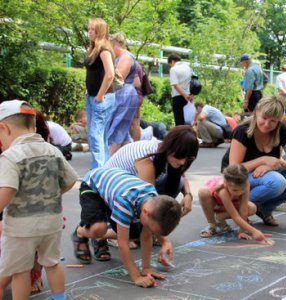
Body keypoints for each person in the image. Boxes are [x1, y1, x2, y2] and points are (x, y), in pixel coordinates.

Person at [0, 100, 78, 299]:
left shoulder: (10, 156)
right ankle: (59, 298)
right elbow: (70, 180)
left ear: (3, 128)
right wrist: (51, 195)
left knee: (20, 271)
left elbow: (7, 190)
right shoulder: (52, 150)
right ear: (34, 126)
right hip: (51, 222)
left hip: (20, 228)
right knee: (52, 263)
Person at [72, 167, 181, 288]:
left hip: (114, 189)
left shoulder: (153, 201)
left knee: (135, 233)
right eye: (151, 227)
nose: (152, 232)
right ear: (146, 212)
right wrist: (136, 277)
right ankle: (81, 231)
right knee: (98, 229)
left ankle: (94, 228)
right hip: (93, 185)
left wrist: (146, 268)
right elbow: (122, 243)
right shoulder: (125, 202)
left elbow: (146, 236)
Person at [222, 96, 286, 226]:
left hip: (266, 173)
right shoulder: (243, 131)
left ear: (279, 120)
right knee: (276, 181)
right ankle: (235, 208)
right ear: (257, 112)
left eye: (273, 121)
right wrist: (263, 160)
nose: (267, 124)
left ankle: (264, 209)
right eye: (264, 118)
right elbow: (233, 168)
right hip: (238, 176)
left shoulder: (280, 129)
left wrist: (275, 165)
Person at [104, 125, 198, 216]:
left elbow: (181, 175)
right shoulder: (146, 160)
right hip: (108, 192)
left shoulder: (161, 147)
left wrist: (188, 195)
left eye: (188, 159)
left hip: (126, 186)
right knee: (152, 212)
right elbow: (149, 202)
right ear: (170, 147)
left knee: (178, 181)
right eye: (180, 156)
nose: (182, 162)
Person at [198, 164, 270, 244]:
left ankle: (220, 218)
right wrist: (254, 231)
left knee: (252, 208)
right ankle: (212, 225)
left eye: (242, 189)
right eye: (235, 190)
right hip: (216, 205)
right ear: (226, 184)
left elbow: (244, 208)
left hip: (231, 205)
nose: (239, 193)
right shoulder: (223, 190)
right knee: (203, 192)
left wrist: (242, 230)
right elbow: (234, 215)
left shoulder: (246, 184)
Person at [85, 18, 116, 169]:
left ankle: (97, 171)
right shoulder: (93, 48)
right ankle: (103, 168)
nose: (89, 32)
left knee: (95, 135)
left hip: (100, 99)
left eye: (93, 29)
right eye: (89, 29)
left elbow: (110, 74)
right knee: (99, 135)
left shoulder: (104, 49)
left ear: (100, 31)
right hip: (92, 97)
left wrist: (100, 95)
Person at [108, 32, 139, 156]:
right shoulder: (118, 58)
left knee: (117, 127)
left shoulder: (126, 57)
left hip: (124, 95)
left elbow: (119, 77)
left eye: (110, 46)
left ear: (117, 44)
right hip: (120, 94)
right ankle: (131, 158)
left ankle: (108, 162)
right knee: (122, 130)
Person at [168, 53, 193, 126]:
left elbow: (175, 84)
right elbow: (193, 82)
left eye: (170, 64)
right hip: (188, 97)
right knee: (187, 120)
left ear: (172, 61)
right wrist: (190, 95)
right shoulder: (188, 68)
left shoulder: (173, 69)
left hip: (178, 97)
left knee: (179, 121)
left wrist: (184, 95)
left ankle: (180, 136)